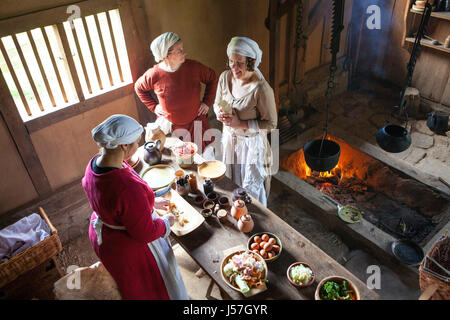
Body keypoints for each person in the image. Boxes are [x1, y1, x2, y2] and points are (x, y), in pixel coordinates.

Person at [82, 114, 189, 300]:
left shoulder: (96, 163)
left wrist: (149, 201)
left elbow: (118, 204)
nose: (137, 146)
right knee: (152, 286)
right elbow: (145, 233)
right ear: (123, 145)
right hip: (127, 246)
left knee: (129, 284)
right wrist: (166, 222)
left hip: (105, 233)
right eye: (135, 142)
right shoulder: (125, 187)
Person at [214, 37, 277, 206]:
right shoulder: (225, 78)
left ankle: (251, 219)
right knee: (230, 180)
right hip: (230, 140)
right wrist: (219, 113)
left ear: (252, 62)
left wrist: (239, 124)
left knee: (250, 189)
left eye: (239, 63)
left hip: (251, 146)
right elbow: (217, 102)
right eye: (231, 62)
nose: (234, 68)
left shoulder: (261, 89)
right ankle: (235, 212)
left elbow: (271, 124)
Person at [134, 32, 218, 155]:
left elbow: (212, 78)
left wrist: (207, 102)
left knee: (203, 157)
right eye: (179, 51)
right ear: (166, 55)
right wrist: (154, 106)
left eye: (182, 49)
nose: (184, 53)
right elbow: (139, 88)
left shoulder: (194, 67)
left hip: (196, 123)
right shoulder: (154, 74)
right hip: (172, 127)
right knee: (179, 159)